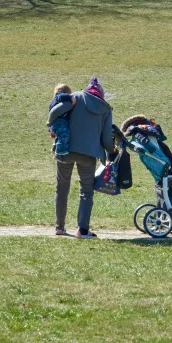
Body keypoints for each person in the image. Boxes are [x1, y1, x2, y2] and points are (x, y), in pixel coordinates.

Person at [47, 77, 115, 239]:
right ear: (101, 94)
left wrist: (50, 126)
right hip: (89, 154)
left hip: (65, 150)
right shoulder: (105, 109)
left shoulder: (75, 97)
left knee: (62, 188)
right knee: (86, 192)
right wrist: (111, 154)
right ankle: (82, 230)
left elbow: (55, 111)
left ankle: (60, 227)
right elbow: (106, 139)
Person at [48, 84, 76, 156]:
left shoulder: (54, 103)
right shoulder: (59, 97)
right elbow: (60, 96)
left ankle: (55, 147)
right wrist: (71, 97)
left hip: (55, 124)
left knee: (60, 136)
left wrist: (50, 130)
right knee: (64, 135)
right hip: (60, 122)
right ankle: (60, 151)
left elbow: (51, 116)